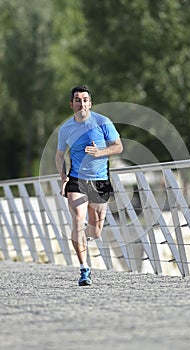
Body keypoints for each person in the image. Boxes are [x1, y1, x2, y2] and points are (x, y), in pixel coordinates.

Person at [55, 85, 123, 286]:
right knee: (77, 220)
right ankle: (84, 269)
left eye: (85, 100)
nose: (81, 103)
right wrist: (63, 176)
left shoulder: (103, 122)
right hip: (77, 180)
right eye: (77, 100)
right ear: (71, 104)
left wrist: (100, 153)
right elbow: (59, 155)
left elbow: (118, 146)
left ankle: (85, 234)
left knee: (96, 231)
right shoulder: (66, 128)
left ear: (90, 103)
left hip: (99, 180)